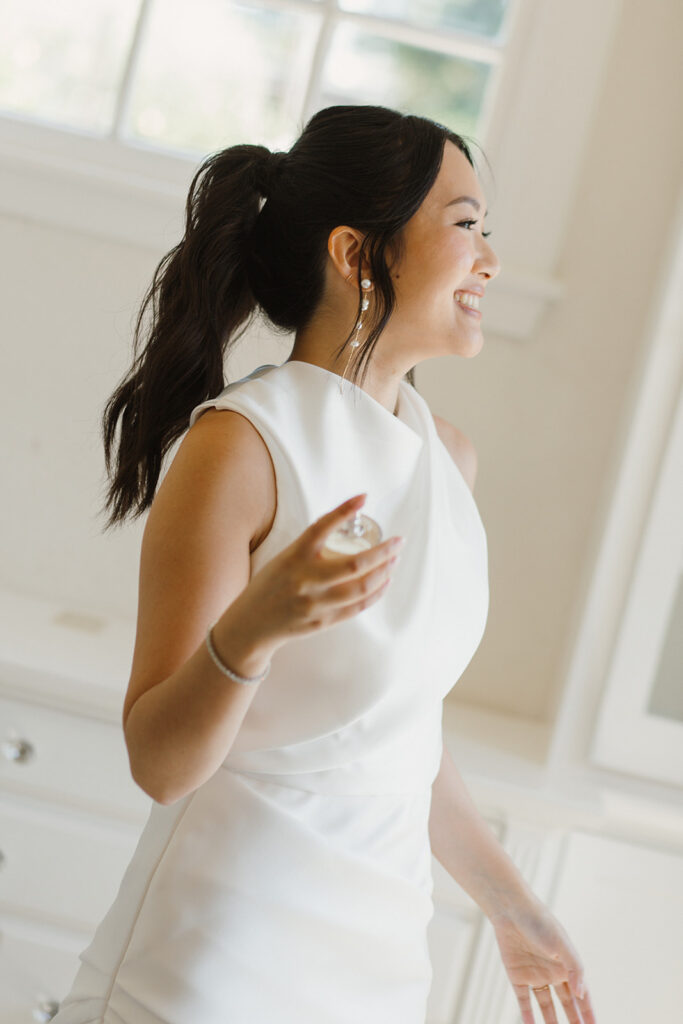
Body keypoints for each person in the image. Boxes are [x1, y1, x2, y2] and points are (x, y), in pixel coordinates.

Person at [52, 104, 596, 1024]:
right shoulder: (243, 448)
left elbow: (398, 738)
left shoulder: (446, 457)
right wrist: (251, 631)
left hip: (376, 964)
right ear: (357, 254)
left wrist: (515, 907)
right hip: (217, 961)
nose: (490, 261)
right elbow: (160, 763)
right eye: (465, 227)